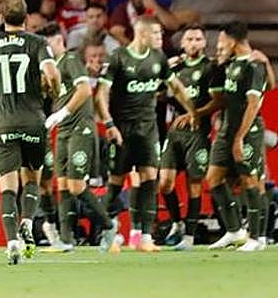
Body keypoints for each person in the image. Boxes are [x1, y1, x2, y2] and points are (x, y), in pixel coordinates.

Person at [0, 0, 61, 264]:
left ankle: (11, 243)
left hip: (5, 124)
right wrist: (52, 92)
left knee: (7, 187)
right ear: (27, 18)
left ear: (0, 18)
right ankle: (28, 223)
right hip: (33, 121)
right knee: (31, 181)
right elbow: (53, 74)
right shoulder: (38, 43)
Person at [94, 15, 177, 253]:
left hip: (148, 128)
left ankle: (145, 237)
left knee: (150, 176)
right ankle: (107, 232)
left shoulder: (158, 58)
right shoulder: (118, 57)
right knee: (117, 182)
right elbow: (101, 94)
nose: (161, 38)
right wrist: (109, 124)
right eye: (157, 33)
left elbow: (170, 87)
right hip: (122, 129)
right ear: (142, 33)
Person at [197, 23, 271, 252]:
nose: (218, 45)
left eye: (221, 40)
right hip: (226, 129)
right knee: (213, 178)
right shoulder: (230, 64)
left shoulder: (253, 65)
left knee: (250, 180)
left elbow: (253, 104)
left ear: (232, 40)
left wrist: (240, 137)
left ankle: (257, 238)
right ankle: (234, 230)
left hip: (247, 131)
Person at [43, 26, 117, 252]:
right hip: (64, 130)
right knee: (63, 184)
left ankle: (108, 225)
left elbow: (85, 90)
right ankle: (66, 240)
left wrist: (62, 112)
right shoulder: (53, 68)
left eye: (47, 45)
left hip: (80, 128)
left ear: (58, 40)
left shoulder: (71, 58)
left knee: (76, 186)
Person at [158, 27, 214, 249]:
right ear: (182, 43)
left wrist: (195, 114)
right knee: (165, 183)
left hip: (197, 133)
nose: (193, 43)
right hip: (175, 132)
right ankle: (177, 223)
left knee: (195, 184)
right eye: (189, 39)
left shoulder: (210, 68)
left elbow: (218, 100)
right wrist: (163, 73)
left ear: (203, 43)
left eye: (198, 39)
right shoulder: (175, 68)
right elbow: (159, 94)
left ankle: (189, 237)